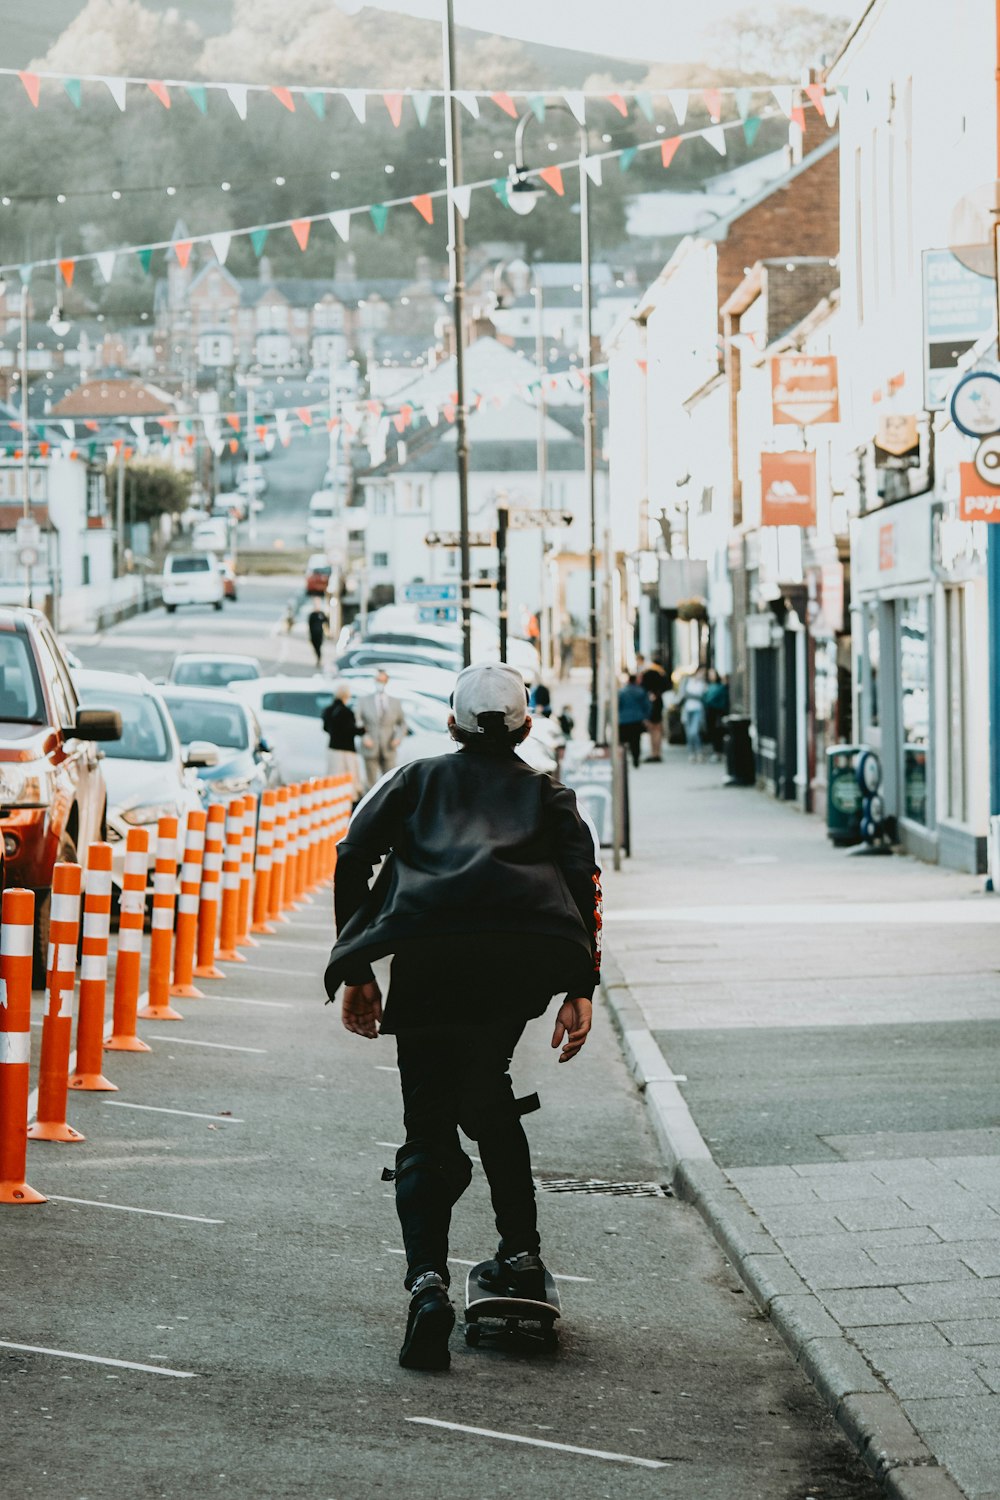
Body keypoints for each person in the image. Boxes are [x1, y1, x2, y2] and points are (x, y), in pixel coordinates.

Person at [325, 662, 601, 1372]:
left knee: (426, 1120)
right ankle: (519, 1252)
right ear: (527, 727)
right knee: (486, 1087)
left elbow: (353, 853)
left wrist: (359, 966)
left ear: (451, 724)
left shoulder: (416, 780)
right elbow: (582, 883)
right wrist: (581, 988)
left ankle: (426, 1285)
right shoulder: (548, 795)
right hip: (514, 968)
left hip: (429, 959)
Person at [355, 669, 408, 788]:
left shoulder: (395, 702)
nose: (380, 683)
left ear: (387, 682)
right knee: (370, 783)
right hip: (370, 746)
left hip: (388, 747)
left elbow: (402, 724)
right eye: (378, 680)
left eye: (383, 680)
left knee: (390, 781)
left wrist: (398, 738)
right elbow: (358, 721)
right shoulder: (364, 701)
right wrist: (364, 736)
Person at [321, 682, 364, 802]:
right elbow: (352, 730)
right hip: (347, 749)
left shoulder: (328, 710)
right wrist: (363, 730)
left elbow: (325, 728)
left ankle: (331, 799)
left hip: (333, 747)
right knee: (348, 777)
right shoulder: (347, 712)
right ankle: (346, 800)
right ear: (346, 696)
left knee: (333, 776)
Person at [637, 656, 668, 763]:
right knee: (658, 728)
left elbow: (642, 687)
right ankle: (658, 752)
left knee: (652, 729)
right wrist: (657, 693)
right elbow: (666, 686)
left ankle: (654, 752)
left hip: (650, 702)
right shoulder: (661, 673)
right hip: (658, 701)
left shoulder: (646, 673)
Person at [617, 673, 651, 769]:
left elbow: (618, 705)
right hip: (637, 719)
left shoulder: (622, 692)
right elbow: (647, 706)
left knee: (622, 742)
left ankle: (622, 761)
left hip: (623, 720)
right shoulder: (641, 691)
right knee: (636, 741)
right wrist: (646, 717)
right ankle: (636, 759)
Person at [703, 669, 730, 760]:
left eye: (712, 674)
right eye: (709, 674)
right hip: (710, 712)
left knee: (718, 732)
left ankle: (719, 751)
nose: (711, 676)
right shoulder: (709, 686)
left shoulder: (720, 687)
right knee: (713, 732)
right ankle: (716, 751)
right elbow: (704, 698)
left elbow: (708, 699)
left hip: (718, 712)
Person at [681, 668, 708, 762]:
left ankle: (699, 751)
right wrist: (695, 696)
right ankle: (691, 753)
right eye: (701, 673)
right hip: (688, 709)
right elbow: (684, 694)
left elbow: (703, 697)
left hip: (697, 709)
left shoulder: (703, 684)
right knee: (689, 732)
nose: (702, 675)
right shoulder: (687, 681)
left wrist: (690, 695)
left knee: (694, 731)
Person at [307, 603, 327, 669]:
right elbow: (309, 624)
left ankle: (319, 658)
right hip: (313, 634)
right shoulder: (312, 615)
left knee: (319, 647)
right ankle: (318, 657)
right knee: (315, 647)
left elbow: (326, 620)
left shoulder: (321, 614)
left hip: (319, 634)